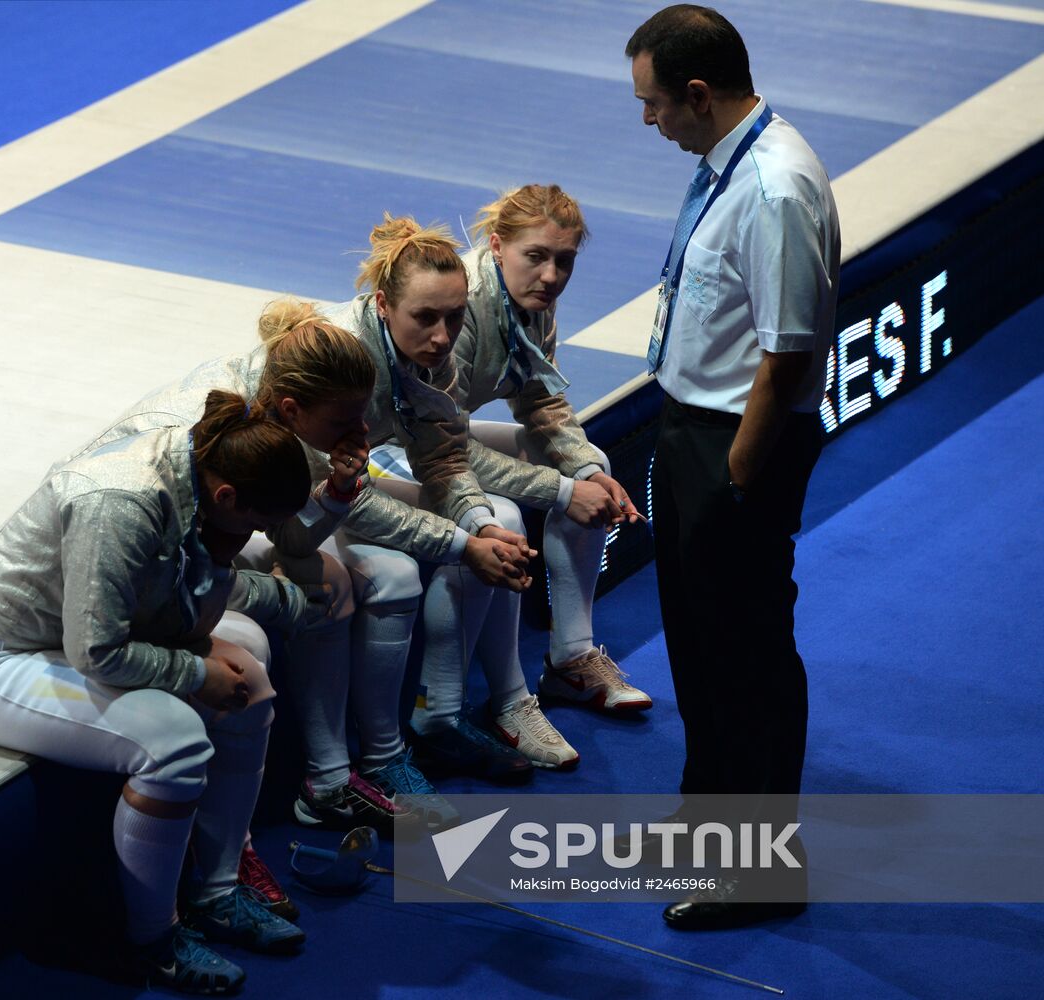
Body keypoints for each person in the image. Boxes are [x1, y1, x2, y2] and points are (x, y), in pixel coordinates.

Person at [0, 392, 314, 994]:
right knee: (175, 741)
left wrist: (249, 589)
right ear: (226, 498)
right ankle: (151, 941)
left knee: (253, 690)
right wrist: (195, 674)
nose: (260, 536)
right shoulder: (120, 502)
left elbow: (180, 606)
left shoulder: (206, 473)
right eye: (257, 523)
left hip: (79, 635)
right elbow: (98, 654)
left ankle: (216, 894)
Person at [71, 300, 464, 835]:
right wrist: (269, 605)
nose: (361, 431)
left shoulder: (278, 424)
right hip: (115, 565)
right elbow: (175, 572)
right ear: (292, 408)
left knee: (327, 580)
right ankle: (234, 843)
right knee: (252, 649)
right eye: (345, 420)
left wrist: (340, 490)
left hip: (181, 557)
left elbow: (287, 534)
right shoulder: (201, 434)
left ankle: (329, 780)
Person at [626, 5, 840, 929]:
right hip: (692, 430)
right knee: (698, 644)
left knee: (747, 655)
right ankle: (709, 817)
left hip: (735, 445)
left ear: (699, 95)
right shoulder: (729, 168)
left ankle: (761, 870)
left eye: (654, 105)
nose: (649, 121)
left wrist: (739, 480)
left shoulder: (776, 187)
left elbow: (788, 350)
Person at [327, 214, 581, 779]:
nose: (443, 337)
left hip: (339, 489)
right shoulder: (341, 362)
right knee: (395, 576)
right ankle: (368, 760)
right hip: (287, 502)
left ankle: (449, 713)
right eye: (425, 318)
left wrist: (481, 530)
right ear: (383, 306)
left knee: (501, 520)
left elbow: (442, 458)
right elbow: (341, 497)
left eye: (454, 318)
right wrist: (464, 543)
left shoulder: (431, 355)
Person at [452, 184, 651, 712]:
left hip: (435, 438)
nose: (551, 276)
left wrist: (582, 469)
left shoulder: (534, 301)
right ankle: (497, 701)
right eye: (535, 257)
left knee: (592, 467)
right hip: (389, 448)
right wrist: (562, 492)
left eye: (564, 261)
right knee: (512, 513)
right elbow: (438, 451)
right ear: (497, 247)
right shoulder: (459, 305)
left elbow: (541, 401)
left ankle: (571, 659)